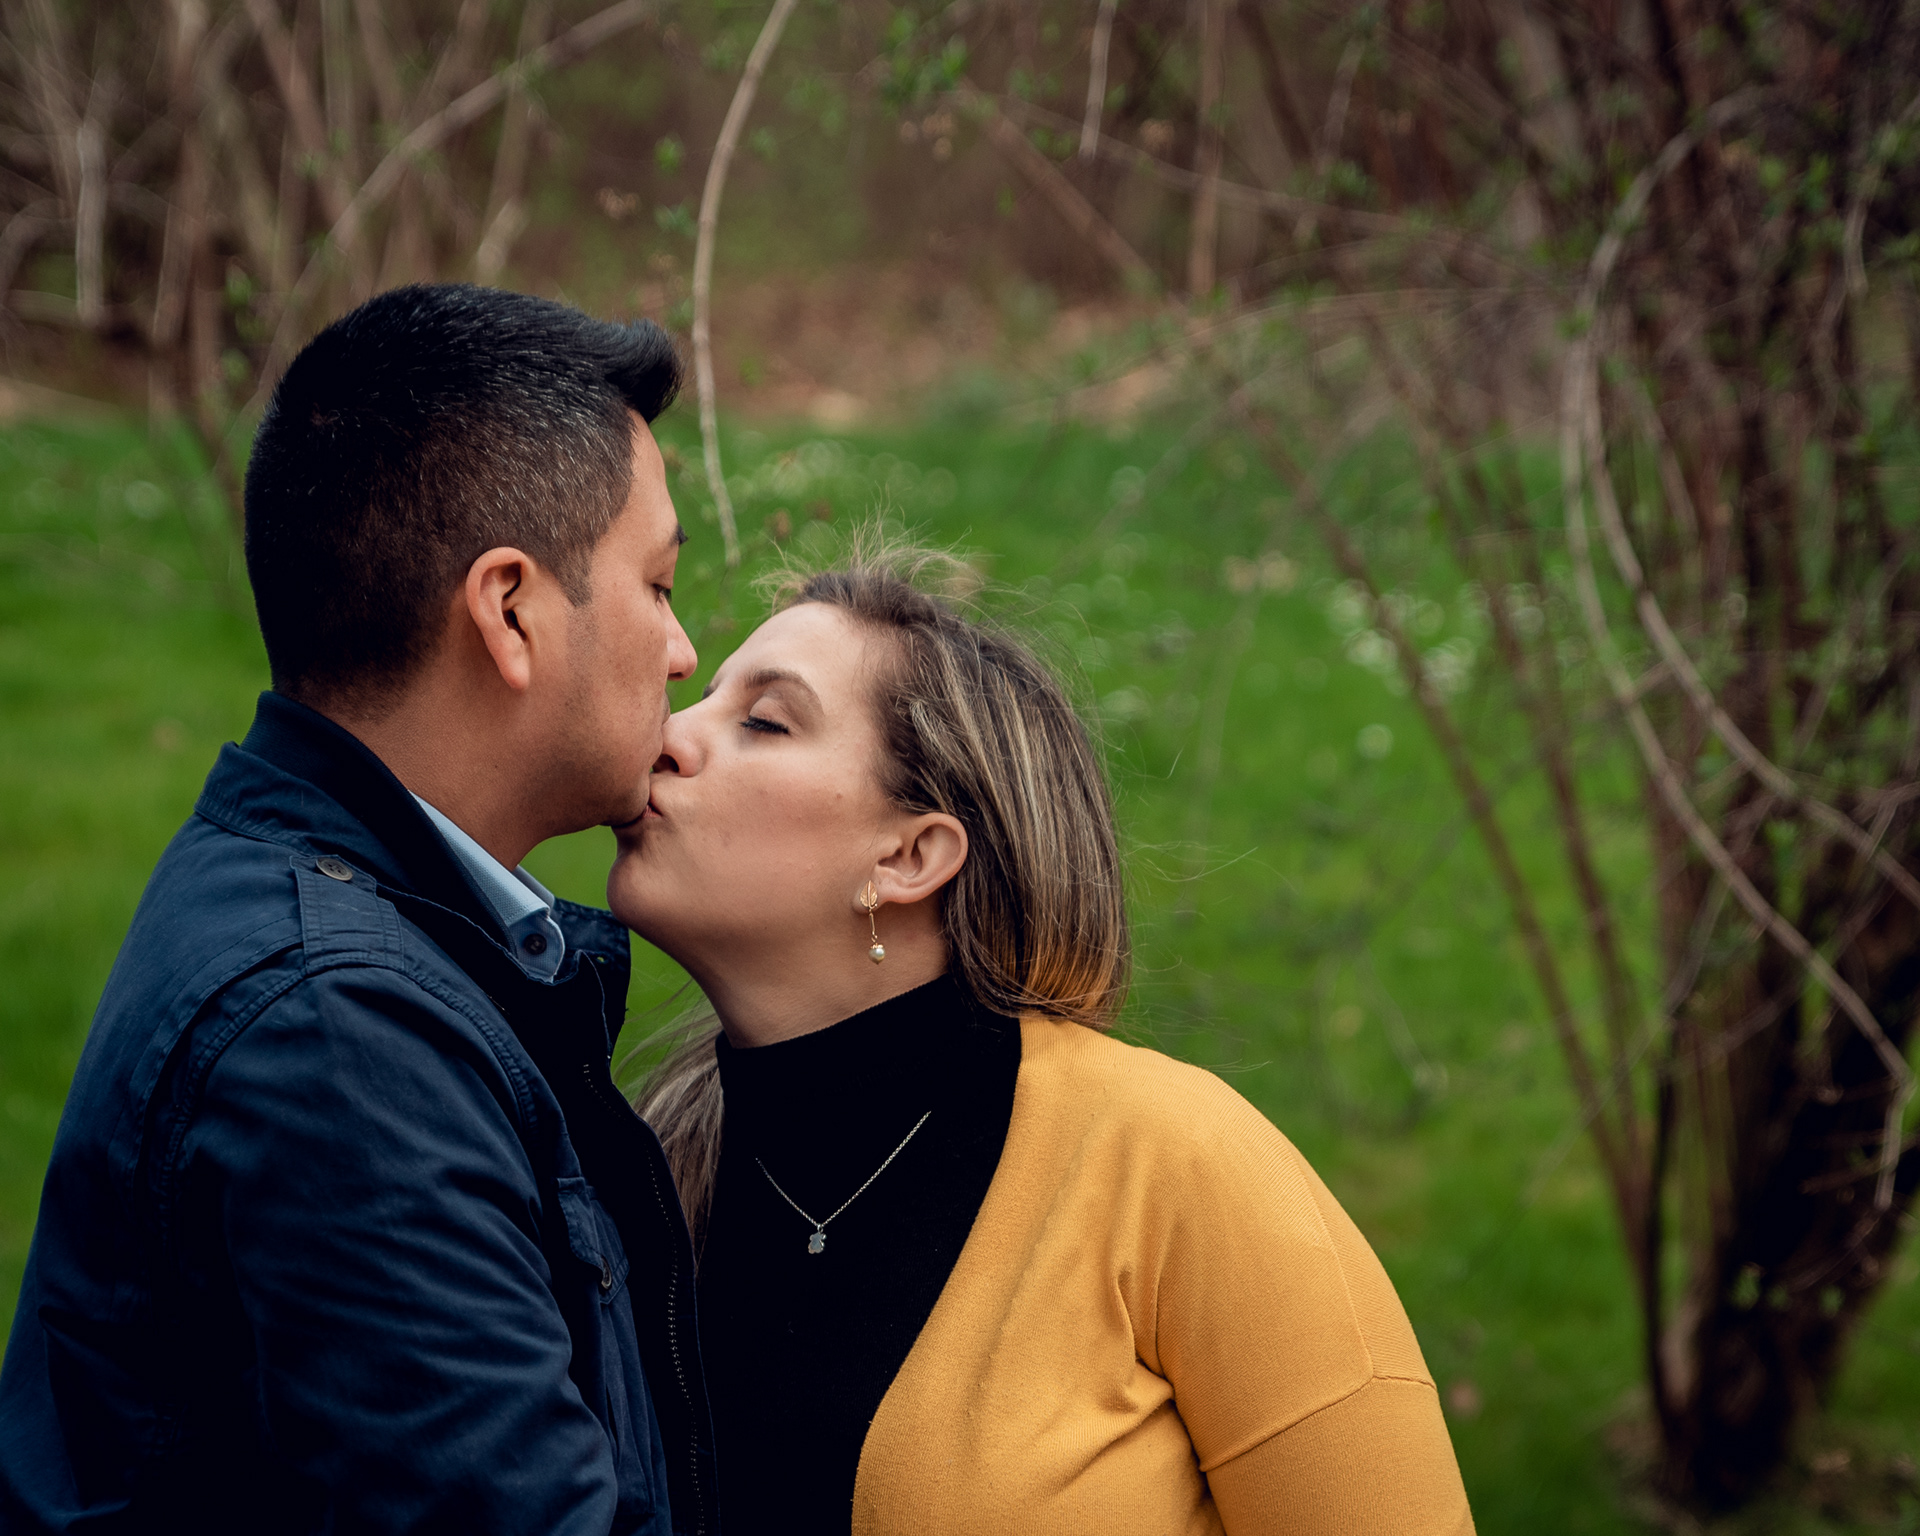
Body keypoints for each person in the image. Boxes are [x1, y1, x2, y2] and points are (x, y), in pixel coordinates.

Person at [0, 284, 717, 1535]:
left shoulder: (334, 918)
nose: (682, 650)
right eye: (656, 585)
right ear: (510, 612)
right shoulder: (339, 1040)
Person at [622, 543, 1476, 1536]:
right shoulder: (636, 1182)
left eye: (764, 722)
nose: (667, 736)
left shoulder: (1174, 1162)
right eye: (704, 702)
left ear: (909, 856)